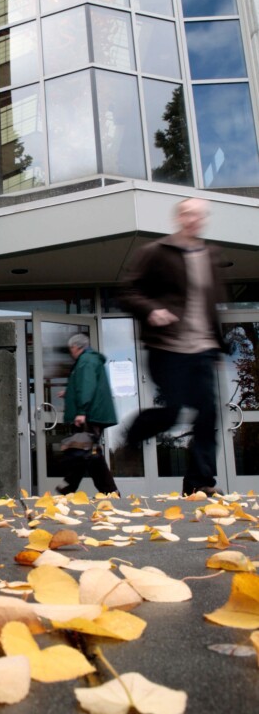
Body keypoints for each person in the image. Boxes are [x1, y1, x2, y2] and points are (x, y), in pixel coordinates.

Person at [121, 197, 228, 498]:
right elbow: (129, 292)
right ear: (178, 217)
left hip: (203, 348)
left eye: (199, 215)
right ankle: (134, 433)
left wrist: (216, 346)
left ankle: (199, 481)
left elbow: (211, 307)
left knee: (208, 412)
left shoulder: (211, 255)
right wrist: (152, 309)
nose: (193, 219)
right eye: (187, 214)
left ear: (204, 219)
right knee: (172, 412)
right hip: (167, 346)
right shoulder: (156, 253)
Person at [57, 333, 118, 496]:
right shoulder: (89, 360)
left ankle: (109, 491)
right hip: (93, 413)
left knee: (89, 453)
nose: (71, 352)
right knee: (85, 452)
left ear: (76, 347)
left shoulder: (86, 360)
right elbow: (84, 385)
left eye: (71, 349)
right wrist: (68, 393)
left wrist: (82, 411)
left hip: (90, 415)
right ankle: (68, 488)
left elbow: (87, 385)